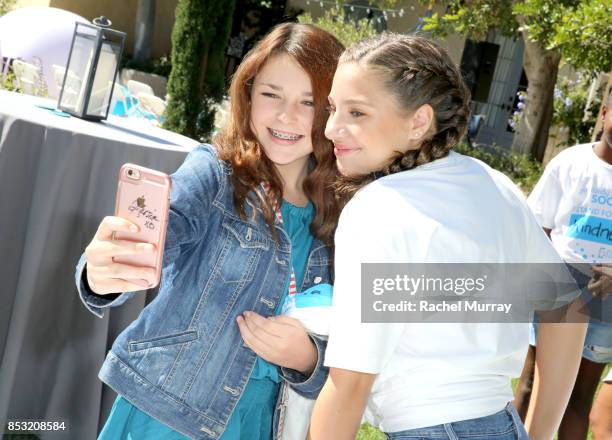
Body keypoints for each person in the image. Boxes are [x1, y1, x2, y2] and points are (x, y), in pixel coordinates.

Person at [308, 33, 587, 440]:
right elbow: (567, 308)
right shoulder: (494, 184)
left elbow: (350, 383)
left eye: (357, 113)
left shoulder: (377, 208)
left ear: (419, 121)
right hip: (502, 425)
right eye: (333, 108)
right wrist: (540, 432)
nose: (332, 127)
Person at [75, 23, 344, 439]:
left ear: (332, 112)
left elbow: (352, 352)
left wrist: (308, 359)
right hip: (169, 415)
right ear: (248, 94)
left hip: (261, 424)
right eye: (271, 94)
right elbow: (150, 244)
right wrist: (103, 274)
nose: (286, 116)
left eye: (308, 102)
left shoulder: (343, 214)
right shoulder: (215, 175)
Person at [514, 90, 612, 439]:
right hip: (559, 287)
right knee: (530, 383)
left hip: (606, 303)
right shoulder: (571, 163)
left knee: (578, 398)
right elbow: (538, 226)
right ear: (603, 113)